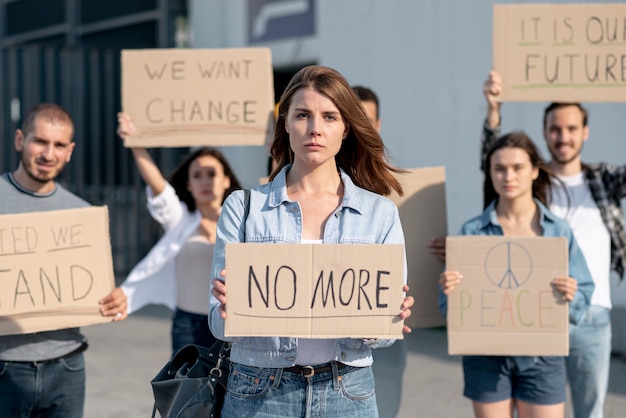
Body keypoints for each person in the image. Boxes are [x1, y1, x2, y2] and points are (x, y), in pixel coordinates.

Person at [209, 65, 415, 417]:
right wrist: (229, 314)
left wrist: (387, 318)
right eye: (302, 115)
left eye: (329, 117)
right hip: (258, 391)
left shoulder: (380, 214)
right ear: (285, 122)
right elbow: (216, 322)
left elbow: (384, 337)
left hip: (347, 393)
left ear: (346, 127)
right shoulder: (243, 208)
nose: (315, 128)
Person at [478, 70, 620, 418]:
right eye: (555, 129)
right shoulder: (532, 179)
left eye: (572, 129)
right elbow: (493, 160)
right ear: (545, 133)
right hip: (536, 314)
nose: (563, 136)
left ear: (585, 132)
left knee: (590, 411)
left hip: (592, 313)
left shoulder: (603, 179)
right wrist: (494, 111)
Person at [439, 131, 594, 418]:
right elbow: (448, 309)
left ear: (535, 171)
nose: (508, 176)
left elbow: (584, 291)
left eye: (517, 168)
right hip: (485, 359)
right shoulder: (472, 232)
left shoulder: (557, 231)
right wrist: (450, 291)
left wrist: (570, 296)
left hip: (542, 358)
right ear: (490, 174)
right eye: (499, 168)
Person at [0, 103, 128, 418]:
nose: (48, 153)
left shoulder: (83, 216)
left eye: (59, 145)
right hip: (4, 367)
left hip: (67, 368)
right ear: (20, 140)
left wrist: (115, 300)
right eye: (40, 141)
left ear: (70, 151)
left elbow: (92, 287)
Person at [116, 112, 242, 356]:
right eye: (197, 175)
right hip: (188, 327)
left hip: (232, 324)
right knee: (186, 393)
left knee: (230, 393)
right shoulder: (181, 220)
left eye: (212, 174)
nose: (205, 181)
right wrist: (135, 143)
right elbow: (158, 188)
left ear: (226, 180)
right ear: (188, 185)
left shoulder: (242, 221)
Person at [353, 84, 406, 418]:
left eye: (367, 120)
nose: (361, 128)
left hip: (381, 309)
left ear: (379, 124)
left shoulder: (394, 183)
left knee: (384, 404)